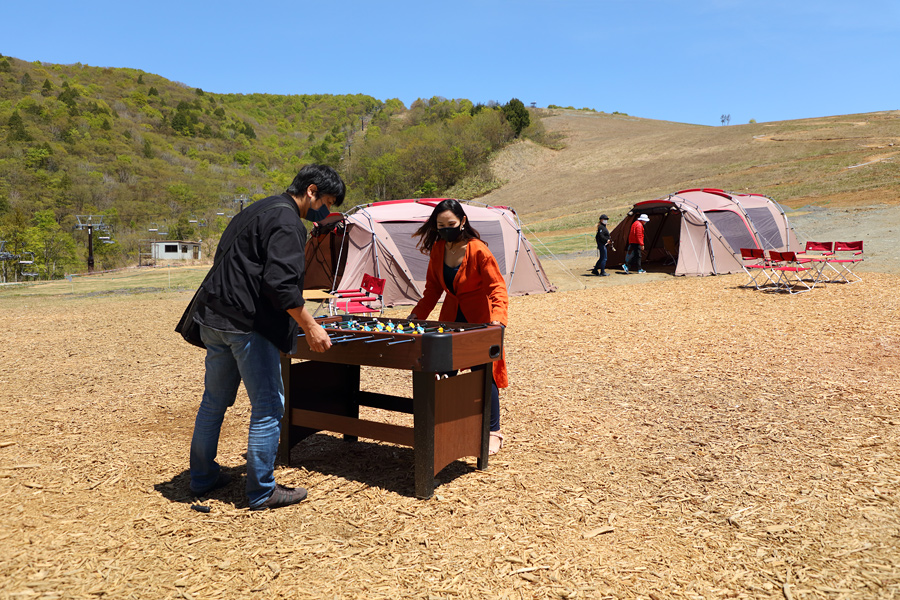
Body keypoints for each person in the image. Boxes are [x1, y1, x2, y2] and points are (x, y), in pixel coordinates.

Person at [188, 164, 345, 510]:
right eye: (328, 202)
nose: (326, 212)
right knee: (269, 406)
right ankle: (262, 490)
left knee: (214, 401)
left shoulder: (257, 209)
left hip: (213, 317)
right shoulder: (289, 222)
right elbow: (281, 286)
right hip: (247, 324)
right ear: (312, 191)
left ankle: (202, 477)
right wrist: (311, 325)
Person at [407, 200, 509, 455]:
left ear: (462, 221)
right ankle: (443, 424)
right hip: (451, 318)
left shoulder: (478, 250)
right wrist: (417, 314)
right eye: (440, 226)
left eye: (450, 224)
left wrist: (498, 319)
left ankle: (493, 431)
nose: (445, 229)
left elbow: (497, 287)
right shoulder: (439, 248)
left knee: (484, 374)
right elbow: (433, 289)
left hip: (479, 319)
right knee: (442, 371)